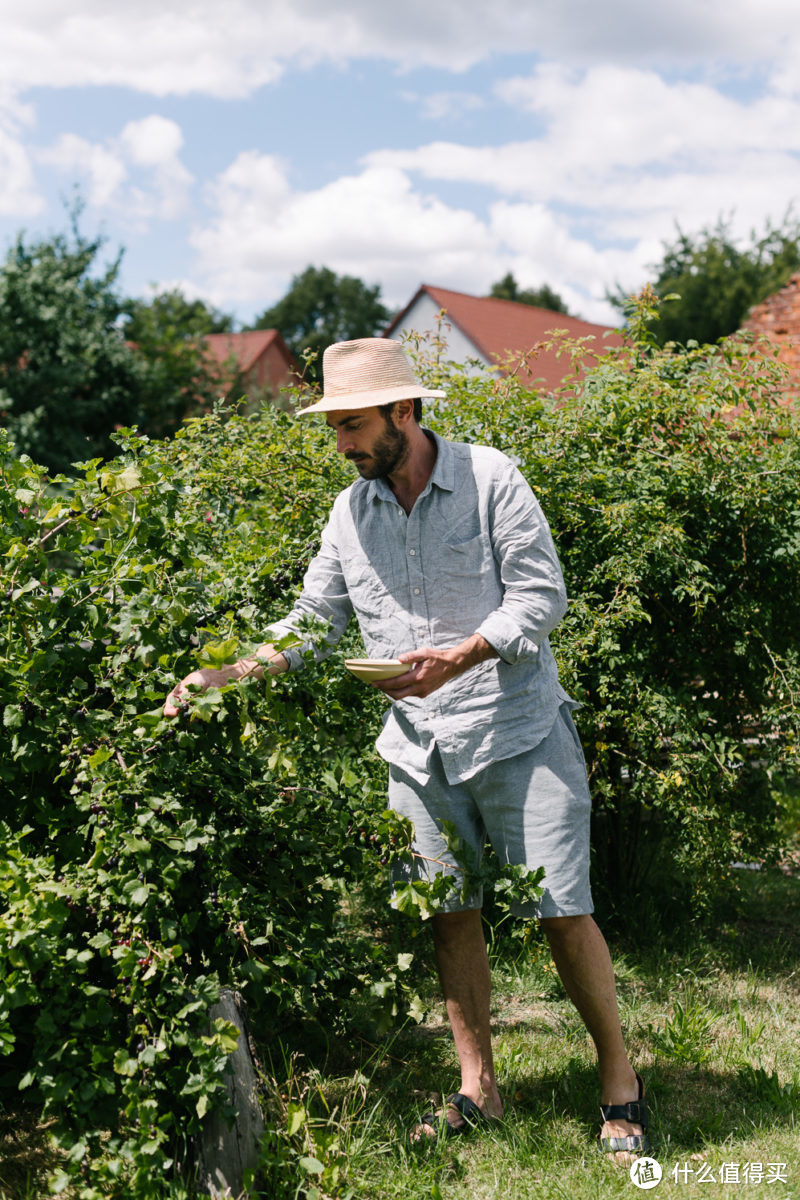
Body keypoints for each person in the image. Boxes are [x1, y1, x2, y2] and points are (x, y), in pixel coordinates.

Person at [164, 338, 649, 1160]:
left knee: (563, 912)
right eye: (335, 428)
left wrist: (460, 655)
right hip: (418, 750)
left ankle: (620, 1080)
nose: (344, 443)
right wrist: (229, 671)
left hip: (518, 729)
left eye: (354, 425)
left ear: (405, 411)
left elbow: (542, 595)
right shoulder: (350, 512)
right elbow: (315, 625)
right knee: (448, 916)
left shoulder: (492, 478)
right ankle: (478, 1089)